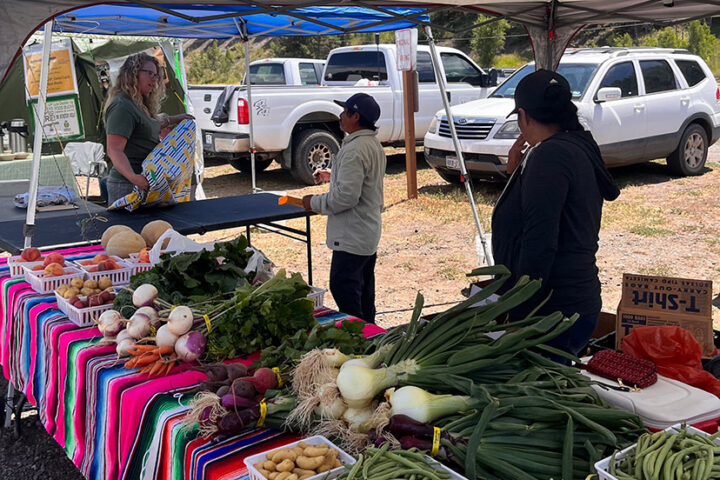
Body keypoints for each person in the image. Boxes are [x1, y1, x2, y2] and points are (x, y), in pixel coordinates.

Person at [491, 69, 621, 357]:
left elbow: (540, 243)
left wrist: (519, 311)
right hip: (575, 302)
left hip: (551, 311)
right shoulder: (576, 146)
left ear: (523, 116)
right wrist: (515, 174)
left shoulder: (549, 157)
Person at [302, 93, 386, 323]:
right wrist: (333, 175)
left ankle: (359, 335)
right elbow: (364, 180)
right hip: (366, 231)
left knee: (343, 288)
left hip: (352, 234)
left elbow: (346, 198)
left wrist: (313, 203)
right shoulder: (371, 144)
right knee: (364, 291)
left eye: (345, 111)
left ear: (355, 116)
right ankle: (371, 334)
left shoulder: (354, 149)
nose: (340, 115)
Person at [104, 52, 192, 205]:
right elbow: (114, 150)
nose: (154, 79)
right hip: (127, 186)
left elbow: (150, 124)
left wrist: (174, 119)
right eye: (149, 73)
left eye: (157, 75)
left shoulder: (138, 104)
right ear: (133, 74)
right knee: (130, 230)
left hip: (144, 182)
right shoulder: (122, 106)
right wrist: (134, 177)